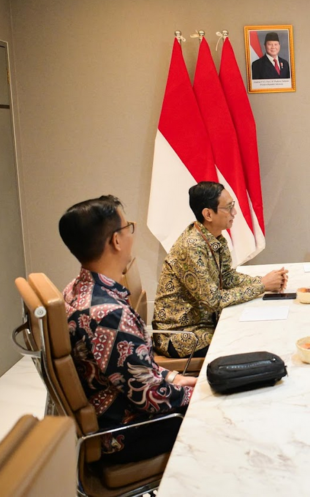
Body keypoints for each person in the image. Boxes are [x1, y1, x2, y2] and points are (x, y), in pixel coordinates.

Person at [59, 195, 195, 464]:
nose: (132, 235)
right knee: (222, 413)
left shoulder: (76, 288)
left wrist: (172, 378)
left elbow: (132, 368)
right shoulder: (108, 315)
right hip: (125, 432)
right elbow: (149, 398)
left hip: (115, 412)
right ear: (116, 240)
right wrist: (199, 392)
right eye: (128, 227)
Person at [153, 182, 288, 358]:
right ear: (208, 214)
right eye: (229, 207)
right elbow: (213, 300)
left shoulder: (214, 236)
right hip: (183, 335)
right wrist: (262, 286)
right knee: (252, 341)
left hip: (206, 322)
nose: (235, 213)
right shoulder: (192, 246)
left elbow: (227, 277)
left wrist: (265, 281)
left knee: (260, 329)